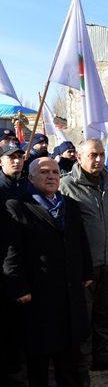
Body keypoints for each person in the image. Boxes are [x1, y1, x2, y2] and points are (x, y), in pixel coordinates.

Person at [4, 158, 94, 386]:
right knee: (40, 354)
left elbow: (81, 242)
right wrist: (18, 286)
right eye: (44, 172)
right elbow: (12, 252)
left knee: (69, 350)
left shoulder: (69, 205)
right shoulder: (17, 206)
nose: (52, 176)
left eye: (55, 171)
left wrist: (87, 271)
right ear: (31, 177)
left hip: (69, 289)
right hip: (38, 292)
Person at [59, 139, 108, 373]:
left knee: (107, 313)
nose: (99, 159)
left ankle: (104, 357)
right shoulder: (66, 186)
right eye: (92, 155)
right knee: (82, 316)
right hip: (84, 265)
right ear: (79, 157)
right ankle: (81, 361)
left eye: (101, 154)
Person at [0, 143, 27, 384]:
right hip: (6, 263)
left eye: (20, 157)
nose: (16, 161)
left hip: (25, 260)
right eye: (11, 158)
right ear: (1, 161)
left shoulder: (25, 185)